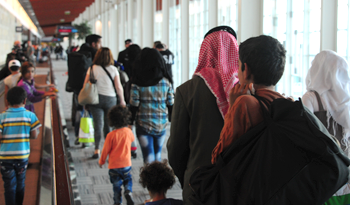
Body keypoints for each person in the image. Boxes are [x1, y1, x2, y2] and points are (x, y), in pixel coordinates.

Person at [166, 27, 239, 204]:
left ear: (204, 52)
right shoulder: (245, 91)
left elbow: (176, 147)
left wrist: (186, 175)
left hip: (198, 183)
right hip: (238, 182)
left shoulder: (186, 91)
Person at [211, 35, 286, 162]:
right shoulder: (286, 102)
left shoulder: (244, 103)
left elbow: (218, 156)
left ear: (246, 70)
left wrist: (233, 106)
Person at [302, 50, 350, 204]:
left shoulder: (311, 98)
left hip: (321, 175)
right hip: (345, 174)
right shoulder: (346, 101)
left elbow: (303, 134)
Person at [129, 48, 174, 164]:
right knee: (158, 156)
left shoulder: (137, 82)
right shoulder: (166, 81)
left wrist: (130, 122)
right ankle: (158, 180)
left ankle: (149, 180)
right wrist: (172, 120)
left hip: (143, 124)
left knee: (148, 158)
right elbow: (170, 103)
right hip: (161, 124)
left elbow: (134, 104)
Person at [0, 87, 41, 205]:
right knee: (20, 182)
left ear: (7, 102)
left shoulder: (2, 117)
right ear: (24, 101)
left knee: (8, 184)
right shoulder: (30, 115)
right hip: (21, 156)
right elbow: (34, 135)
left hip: (5, 157)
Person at [83, 47, 126, 158]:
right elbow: (118, 87)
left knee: (98, 125)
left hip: (95, 100)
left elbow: (85, 86)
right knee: (109, 126)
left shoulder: (92, 68)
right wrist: (122, 100)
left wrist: (85, 102)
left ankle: (97, 149)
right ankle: (110, 150)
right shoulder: (113, 69)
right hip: (110, 99)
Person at [99, 105, 135, 205]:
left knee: (116, 185)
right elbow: (132, 141)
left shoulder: (111, 135)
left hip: (114, 166)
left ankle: (117, 202)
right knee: (128, 180)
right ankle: (128, 191)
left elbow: (105, 150)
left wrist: (101, 161)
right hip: (126, 164)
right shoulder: (128, 132)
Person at [70, 34, 102, 146]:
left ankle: (78, 136)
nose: (100, 45)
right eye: (99, 43)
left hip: (76, 87)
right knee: (90, 110)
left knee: (79, 109)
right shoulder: (94, 54)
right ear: (93, 44)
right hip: (89, 88)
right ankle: (87, 137)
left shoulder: (77, 54)